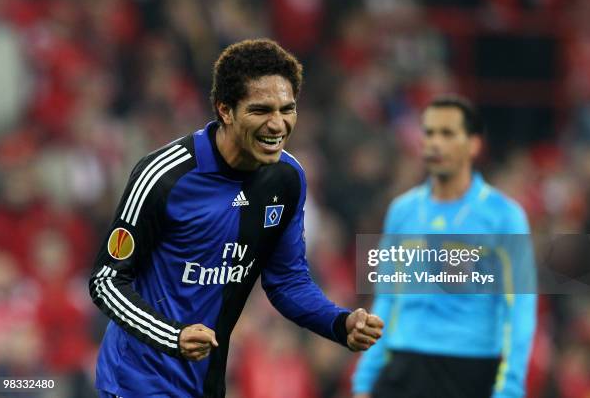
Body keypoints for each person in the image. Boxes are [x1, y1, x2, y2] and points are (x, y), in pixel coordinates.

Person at [89, 39, 384, 398]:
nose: (278, 125)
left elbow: (287, 282)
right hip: (137, 382)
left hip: (205, 383)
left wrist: (339, 323)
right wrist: (173, 336)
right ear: (225, 110)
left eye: (287, 109)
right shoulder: (164, 175)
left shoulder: (287, 179)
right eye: (261, 110)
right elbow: (107, 281)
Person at [352, 96, 537, 398]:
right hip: (404, 365)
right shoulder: (402, 211)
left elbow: (519, 309)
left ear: (474, 145)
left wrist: (510, 388)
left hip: (470, 369)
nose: (435, 143)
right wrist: (365, 378)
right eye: (429, 133)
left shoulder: (503, 216)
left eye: (447, 134)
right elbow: (386, 299)